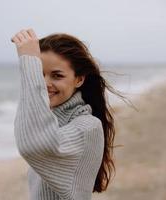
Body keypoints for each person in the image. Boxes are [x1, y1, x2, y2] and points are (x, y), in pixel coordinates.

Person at [11, 28, 116, 200]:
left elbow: (32, 144)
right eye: (39, 75)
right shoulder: (49, 122)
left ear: (79, 79)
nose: (45, 84)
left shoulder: (88, 127)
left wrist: (29, 62)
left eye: (57, 76)